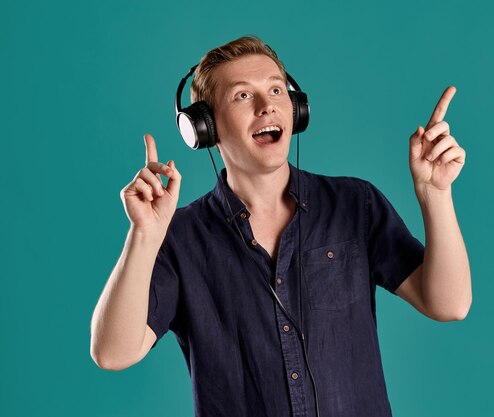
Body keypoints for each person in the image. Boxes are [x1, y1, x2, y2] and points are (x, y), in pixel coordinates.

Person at [90, 35, 471, 417]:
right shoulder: (180, 237)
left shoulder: (356, 204)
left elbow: (448, 304)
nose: (267, 105)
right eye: (242, 96)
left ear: (296, 109)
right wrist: (143, 236)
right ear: (204, 128)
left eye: (276, 89)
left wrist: (435, 193)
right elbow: (112, 353)